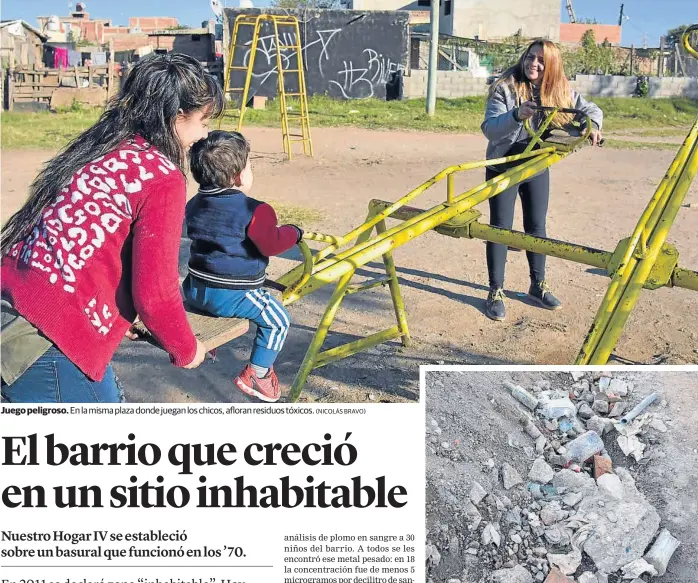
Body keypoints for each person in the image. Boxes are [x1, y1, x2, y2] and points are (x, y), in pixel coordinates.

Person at [1, 53, 223, 403]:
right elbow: (157, 295)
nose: (204, 132)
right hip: (44, 342)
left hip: (12, 303)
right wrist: (186, 348)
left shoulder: (102, 148)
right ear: (177, 117)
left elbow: (83, 242)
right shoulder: (162, 178)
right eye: (203, 120)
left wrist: (120, 314)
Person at [481, 39, 603, 322]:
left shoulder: (559, 91)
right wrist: (516, 114)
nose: (532, 64)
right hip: (505, 164)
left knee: (536, 226)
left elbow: (592, 111)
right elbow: (490, 130)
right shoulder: (506, 88)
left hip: (536, 165)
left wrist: (592, 127)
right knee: (500, 228)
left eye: (540, 60)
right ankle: (496, 291)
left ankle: (537, 285)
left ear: (552, 67)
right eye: (530, 57)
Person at [183, 130, 303, 403]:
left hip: (193, 289)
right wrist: (293, 232)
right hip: (230, 295)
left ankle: (209, 341)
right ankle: (257, 374)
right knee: (277, 321)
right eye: (249, 164)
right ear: (239, 176)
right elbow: (271, 244)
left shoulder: (194, 204)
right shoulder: (255, 210)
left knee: (215, 287)